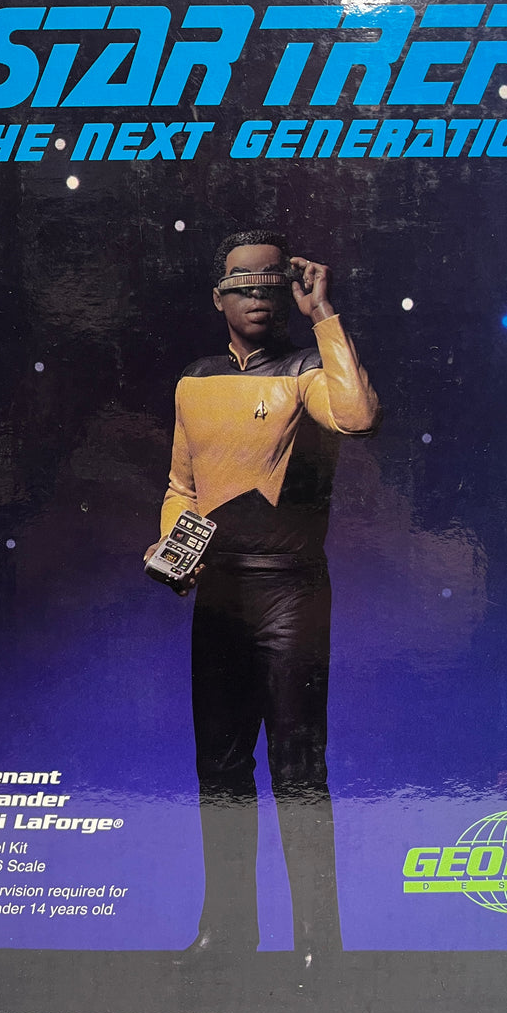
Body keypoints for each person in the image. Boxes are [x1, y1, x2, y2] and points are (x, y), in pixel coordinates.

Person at [147, 229, 380, 972]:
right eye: (242, 283)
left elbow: (357, 416)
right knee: (219, 768)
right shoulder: (194, 380)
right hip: (218, 590)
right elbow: (182, 483)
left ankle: (318, 946)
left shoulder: (310, 369)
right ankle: (227, 934)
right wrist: (173, 545)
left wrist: (325, 316)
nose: (256, 294)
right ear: (217, 297)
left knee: (298, 767)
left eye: (270, 282)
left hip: (290, 587)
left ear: (288, 291)